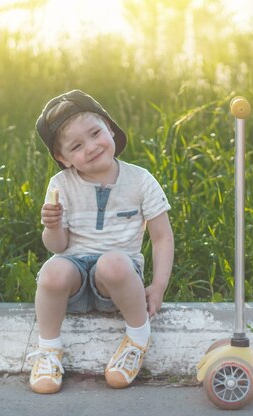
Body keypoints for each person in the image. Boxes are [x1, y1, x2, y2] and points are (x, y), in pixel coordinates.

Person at [27, 89, 174, 394]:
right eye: (77, 146)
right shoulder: (60, 185)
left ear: (110, 127)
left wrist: (158, 286)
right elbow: (56, 246)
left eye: (95, 133)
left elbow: (161, 238)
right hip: (76, 275)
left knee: (113, 263)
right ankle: (48, 351)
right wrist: (52, 226)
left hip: (118, 279)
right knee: (53, 271)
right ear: (63, 158)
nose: (92, 147)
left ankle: (137, 338)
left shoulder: (140, 180)